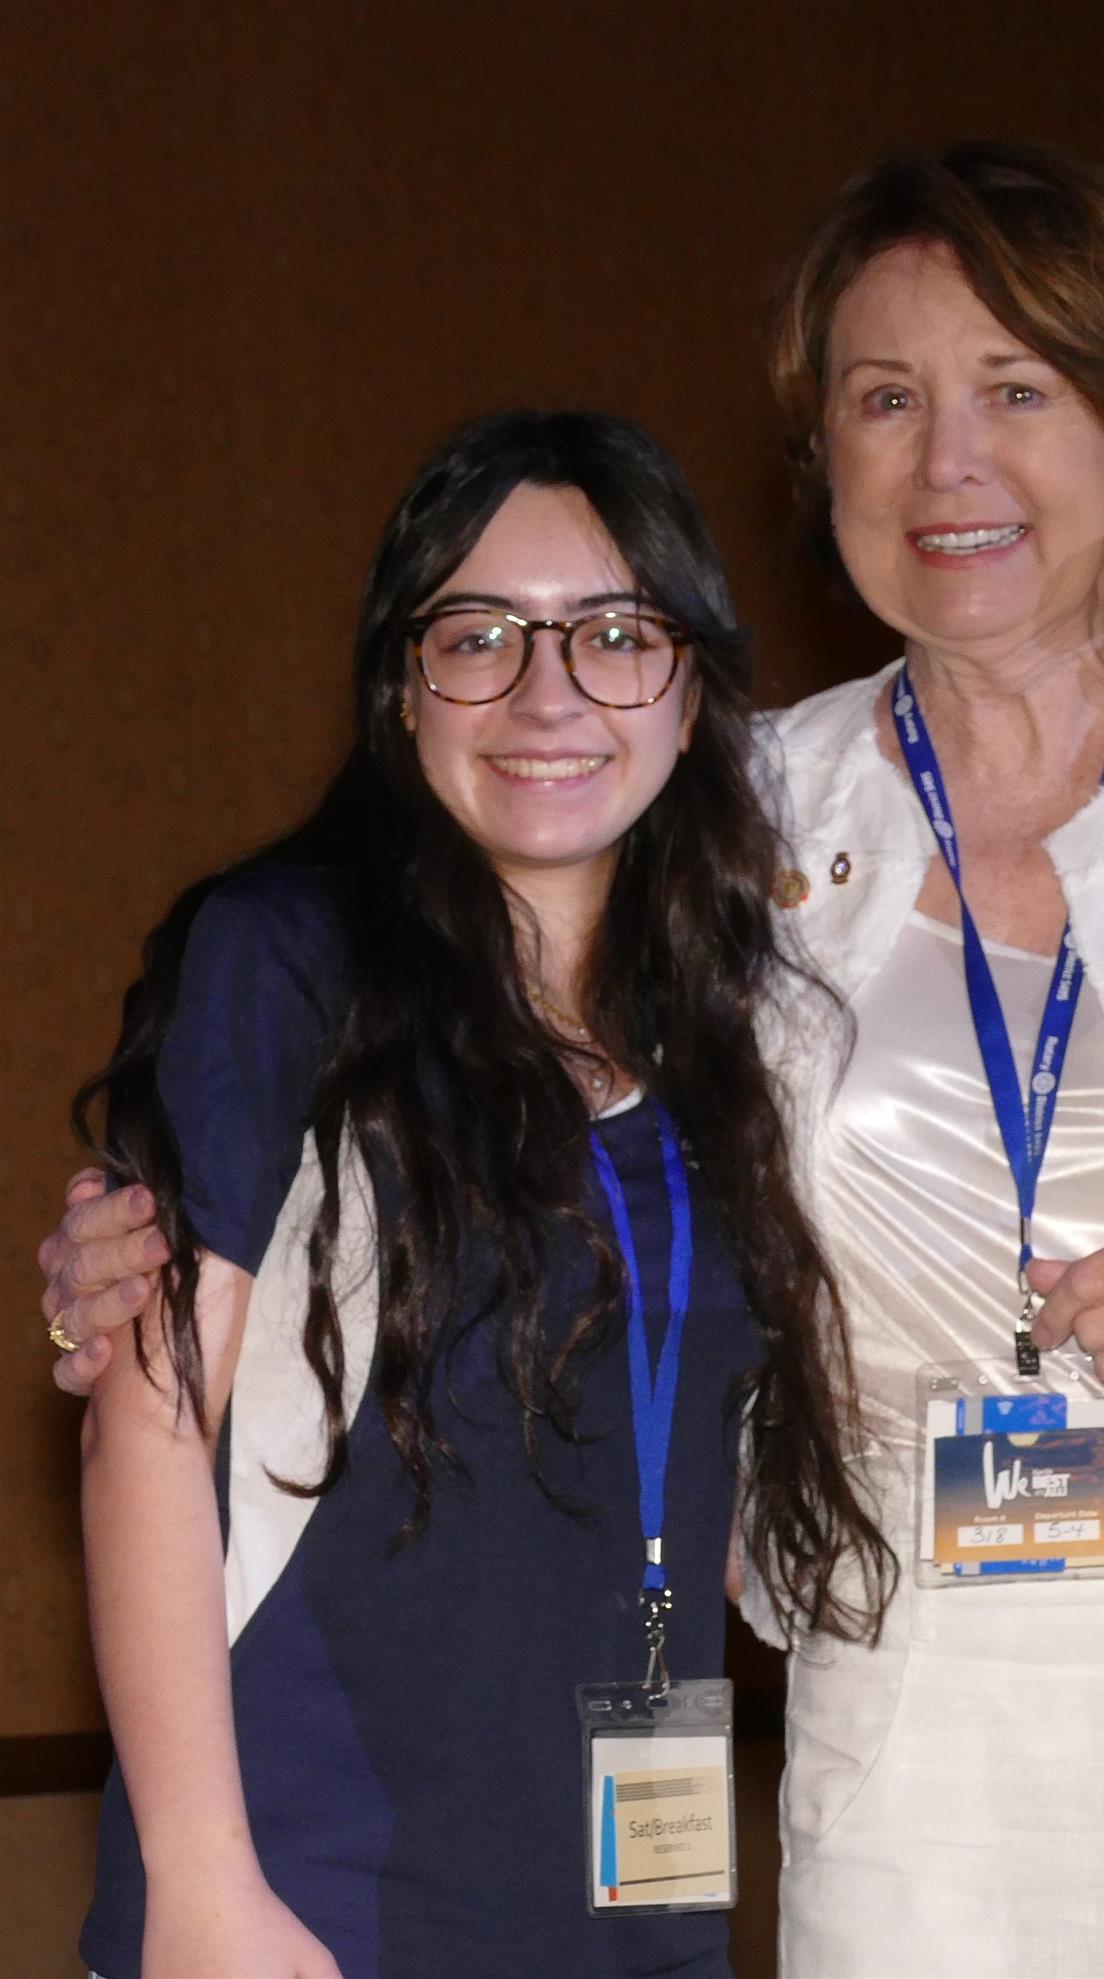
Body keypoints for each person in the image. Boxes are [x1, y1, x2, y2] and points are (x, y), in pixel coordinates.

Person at [44, 143, 1104, 1979]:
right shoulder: (721, 818)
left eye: (1018, 389)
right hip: (905, 1755)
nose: (946, 460)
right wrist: (145, 1252)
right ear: (825, 470)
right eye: (885, 399)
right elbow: (432, 1095)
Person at [53, 408, 891, 1979]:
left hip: (638, 1909)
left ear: (691, 688)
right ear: (400, 683)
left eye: (614, 636)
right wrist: (202, 1884)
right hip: (317, 1901)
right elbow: (144, 1424)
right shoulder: (290, 961)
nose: (544, 695)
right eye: (478, 636)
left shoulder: (741, 1040)